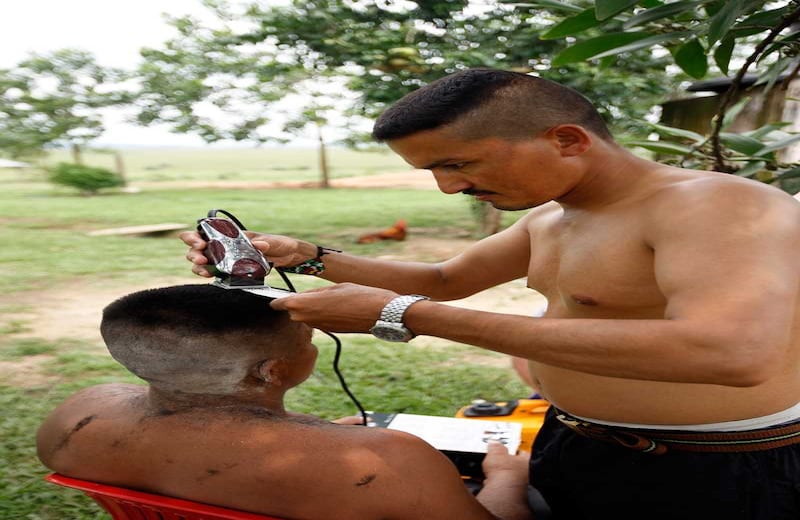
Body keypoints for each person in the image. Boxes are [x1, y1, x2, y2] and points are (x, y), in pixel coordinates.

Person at [182, 68, 800, 519]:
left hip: (713, 469)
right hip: (576, 441)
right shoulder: (552, 218)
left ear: (567, 140)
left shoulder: (716, 206)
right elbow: (446, 281)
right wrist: (311, 258)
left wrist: (404, 317)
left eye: (458, 164)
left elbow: (732, 353)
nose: (450, 189)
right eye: (434, 171)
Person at [36, 284, 534, 520]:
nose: (313, 346)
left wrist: (311, 432)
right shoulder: (384, 461)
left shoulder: (79, 415)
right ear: (273, 371)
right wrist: (508, 478)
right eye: (308, 339)